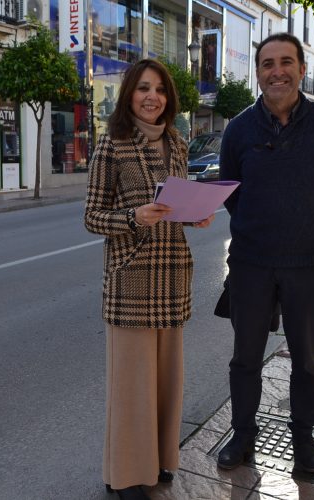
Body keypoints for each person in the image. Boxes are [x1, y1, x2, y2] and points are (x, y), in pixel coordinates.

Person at [217, 33, 314, 473]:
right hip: (251, 264)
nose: (278, 71)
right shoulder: (238, 130)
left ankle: (304, 440)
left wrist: (308, 227)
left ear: (301, 69)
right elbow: (231, 192)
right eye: (268, 63)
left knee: (308, 360)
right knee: (245, 359)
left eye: (286, 62)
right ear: (257, 73)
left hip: (308, 265)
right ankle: (242, 436)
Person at [84, 59, 214, 500]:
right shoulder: (112, 145)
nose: (152, 96)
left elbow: (177, 204)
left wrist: (194, 215)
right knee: (132, 386)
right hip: (131, 278)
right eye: (143, 88)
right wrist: (133, 217)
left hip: (173, 273)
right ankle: (123, 474)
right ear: (129, 95)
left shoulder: (177, 143)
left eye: (159, 89)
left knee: (167, 380)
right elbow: (92, 218)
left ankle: (159, 461)